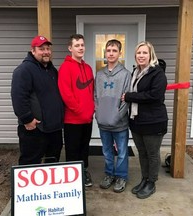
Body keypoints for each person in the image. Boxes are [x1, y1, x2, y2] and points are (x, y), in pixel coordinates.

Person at [122, 41, 168, 199]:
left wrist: (129, 96)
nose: (141, 56)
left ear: (151, 55)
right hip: (137, 121)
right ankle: (144, 179)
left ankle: (151, 182)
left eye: (144, 53)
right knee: (141, 152)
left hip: (153, 122)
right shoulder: (135, 72)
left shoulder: (157, 73)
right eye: (138, 53)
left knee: (152, 153)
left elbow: (154, 96)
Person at [11, 35, 64, 165]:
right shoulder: (24, 70)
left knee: (52, 161)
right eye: (41, 49)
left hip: (53, 128)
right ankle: (28, 186)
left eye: (48, 48)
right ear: (33, 51)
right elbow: (18, 97)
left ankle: (49, 186)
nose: (46, 52)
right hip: (35, 128)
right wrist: (27, 119)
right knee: (31, 162)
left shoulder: (52, 70)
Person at [94, 39, 131, 193]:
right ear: (105, 53)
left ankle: (121, 176)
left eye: (114, 50)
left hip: (119, 123)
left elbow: (126, 99)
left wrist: (117, 116)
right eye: (108, 50)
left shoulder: (125, 74)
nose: (111, 53)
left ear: (119, 53)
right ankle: (109, 174)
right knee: (107, 151)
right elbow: (95, 96)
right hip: (103, 122)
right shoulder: (100, 74)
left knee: (122, 151)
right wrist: (98, 114)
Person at [58, 34, 95, 187]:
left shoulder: (88, 68)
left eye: (82, 45)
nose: (80, 48)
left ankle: (84, 171)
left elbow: (91, 92)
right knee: (73, 150)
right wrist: (80, 110)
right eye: (77, 45)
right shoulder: (65, 67)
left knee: (84, 147)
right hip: (73, 119)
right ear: (70, 48)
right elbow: (66, 94)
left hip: (87, 118)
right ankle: (72, 178)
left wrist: (91, 109)